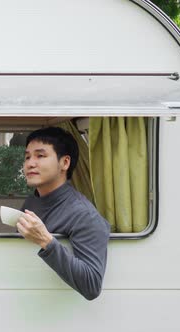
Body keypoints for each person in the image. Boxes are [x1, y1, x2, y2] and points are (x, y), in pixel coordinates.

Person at [18, 127, 110, 301]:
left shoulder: (84, 215)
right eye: (27, 157)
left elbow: (92, 285)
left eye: (40, 155)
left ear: (65, 163)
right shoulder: (33, 201)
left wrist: (46, 241)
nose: (30, 163)